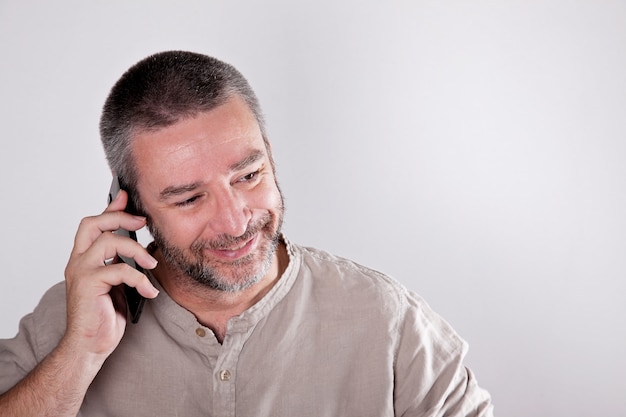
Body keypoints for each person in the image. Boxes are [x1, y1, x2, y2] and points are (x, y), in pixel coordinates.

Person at [0, 50, 494, 416]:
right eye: (190, 198)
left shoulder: (390, 325)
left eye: (248, 176)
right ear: (128, 207)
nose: (236, 223)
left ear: (271, 157)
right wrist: (78, 356)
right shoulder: (67, 323)